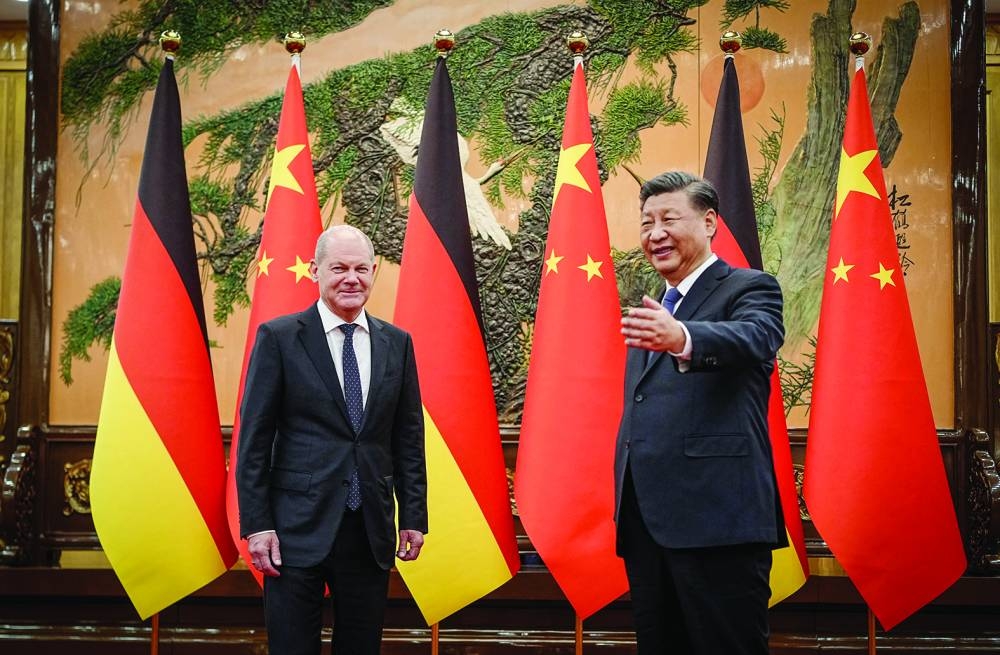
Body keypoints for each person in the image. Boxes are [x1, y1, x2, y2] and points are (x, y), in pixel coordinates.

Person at [236, 224, 427, 655]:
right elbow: (253, 442)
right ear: (314, 270)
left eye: (361, 268)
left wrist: (413, 514)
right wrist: (258, 525)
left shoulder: (397, 343)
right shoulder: (280, 338)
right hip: (293, 530)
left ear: (374, 271)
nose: (351, 278)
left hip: (370, 529)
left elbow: (408, 438)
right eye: (338, 267)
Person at [615, 171, 785, 655]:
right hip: (649, 527)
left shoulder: (750, 288)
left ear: (709, 222)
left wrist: (685, 338)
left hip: (718, 524)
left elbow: (757, 338)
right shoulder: (655, 308)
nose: (655, 233)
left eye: (670, 218)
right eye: (646, 223)